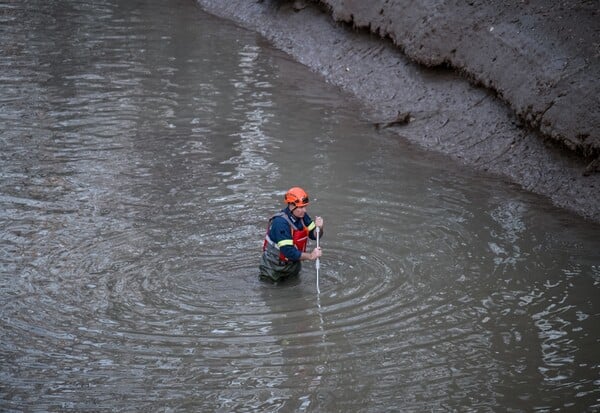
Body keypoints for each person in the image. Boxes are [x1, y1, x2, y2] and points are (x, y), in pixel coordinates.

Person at [259, 187, 324, 282]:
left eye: (305, 206)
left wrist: (319, 228)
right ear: (291, 205)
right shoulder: (280, 222)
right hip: (273, 267)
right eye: (301, 207)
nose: (305, 210)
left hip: (293, 265)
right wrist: (310, 256)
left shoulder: (302, 216)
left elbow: (314, 236)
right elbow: (287, 251)